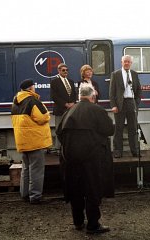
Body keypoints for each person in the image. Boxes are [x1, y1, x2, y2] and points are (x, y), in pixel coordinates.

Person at [56, 83, 114, 234]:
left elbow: (59, 132)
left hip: (71, 159)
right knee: (92, 190)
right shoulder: (98, 110)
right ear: (93, 96)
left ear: (79, 95)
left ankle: (78, 222)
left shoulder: (69, 111)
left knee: (75, 190)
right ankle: (93, 225)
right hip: (92, 159)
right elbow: (110, 130)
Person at [11, 79, 52, 204]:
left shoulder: (16, 102)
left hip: (23, 140)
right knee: (36, 170)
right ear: (30, 88)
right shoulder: (32, 101)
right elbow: (43, 117)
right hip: (34, 141)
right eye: (34, 86)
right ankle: (35, 197)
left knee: (26, 168)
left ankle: (24, 194)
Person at [109, 55, 142, 158]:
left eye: (129, 62)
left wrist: (136, 103)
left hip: (131, 102)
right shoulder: (116, 74)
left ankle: (135, 151)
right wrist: (113, 105)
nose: (127, 63)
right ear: (121, 62)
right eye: (125, 62)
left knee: (133, 128)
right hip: (120, 104)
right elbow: (112, 92)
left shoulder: (134, 74)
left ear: (131, 63)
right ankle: (118, 151)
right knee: (119, 128)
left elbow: (138, 90)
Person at [50, 63, 77, 151]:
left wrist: (73, 103)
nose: (65, 72)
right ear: (59, 71)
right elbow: (54, 96)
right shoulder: (54, 82)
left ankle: (69, 147)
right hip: (60, 109)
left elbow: (74, 94)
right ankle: (59, 148)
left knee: (70, 128)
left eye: (67, 70)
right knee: (59, 129)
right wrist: (65, 104)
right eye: (63, 70)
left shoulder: (71, 81)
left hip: (71, 110)